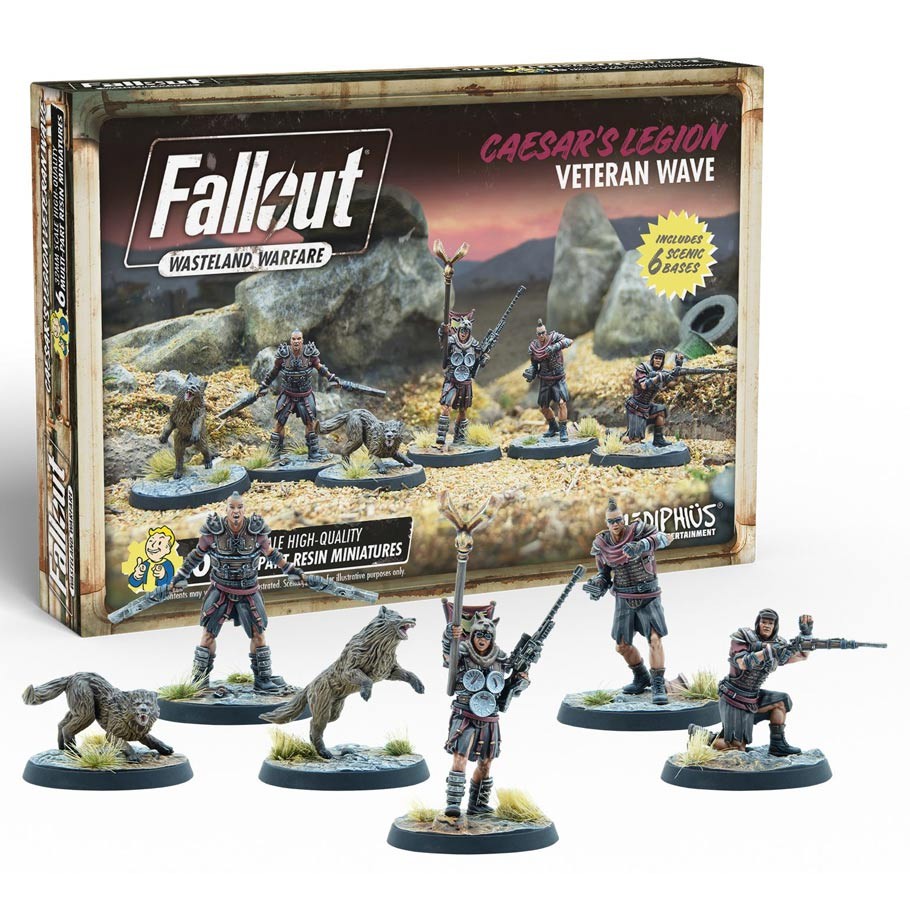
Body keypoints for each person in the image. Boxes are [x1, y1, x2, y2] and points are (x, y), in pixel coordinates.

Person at [173, 492, 303, 693]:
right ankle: (199, 682)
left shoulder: (255, 530)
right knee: (207, 636)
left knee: (258, 635)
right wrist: (181, 575)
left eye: (239, 507)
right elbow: (196, 555)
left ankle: (263, 680)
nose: (236, 511)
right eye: (232, 507)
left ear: (244, 509)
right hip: (221, 591)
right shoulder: (213, 530)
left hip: (248, 591)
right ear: (226, 509)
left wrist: (290, 570)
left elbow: (271, 554)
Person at [441, 614, 528, 818]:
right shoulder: (462, 651)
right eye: (479, 634)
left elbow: (510, 686)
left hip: (490, 716)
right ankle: (453, 803)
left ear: (492, 638)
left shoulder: (501, 658)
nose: (483, 639)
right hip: (465, 712)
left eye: (487, 636)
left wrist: (521, 681)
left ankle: (477, 804)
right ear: (472, 635)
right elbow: (447, 654)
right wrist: (449, 635)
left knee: (486, 762)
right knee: (460, 757)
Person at [587, 496, 672, 704]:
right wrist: (598, 585)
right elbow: (604, 574)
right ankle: (642, 677)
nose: (615, 524)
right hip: (624, 597)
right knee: (622, 646)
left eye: (618, 520)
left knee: (655, 639)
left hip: (648, 594)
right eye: (611, 521)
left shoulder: (640, 531)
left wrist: (641, 545)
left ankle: (658, 683)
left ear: (623, 519)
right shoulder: (602, 544)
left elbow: (666, 538)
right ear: (606, 523)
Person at [706, 609, 809, 755]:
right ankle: (702, 736)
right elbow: (743, 663)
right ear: (758, 623)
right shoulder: (742, 638)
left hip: (754, 697)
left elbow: (802, 656)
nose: (767, 625)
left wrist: (806, 635)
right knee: (737, 749)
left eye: (770, 623)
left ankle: (778, 745)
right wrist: (768, 652)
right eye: (764, 622)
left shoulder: (778, 644)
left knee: (781, 701)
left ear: (775, 626)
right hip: (734, 698)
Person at [259, 329, 338, 459]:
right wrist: (264, 385)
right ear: (290, 340)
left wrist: (331, 377)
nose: (296, 341)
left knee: (310, 423)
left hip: (305, 394)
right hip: (288, 393)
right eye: (294, 339)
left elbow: (320, 368)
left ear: (302, 340)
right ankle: (274, 454)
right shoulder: (283, 354)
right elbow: (274, 372)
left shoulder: (309, 353)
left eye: (299, 339)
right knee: (279, 423)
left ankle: (313, 453)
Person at [435, 311, 488, 446]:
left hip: (465, 381)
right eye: (462, 330)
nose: (463, 333)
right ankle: (441, 436)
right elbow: (443, 340)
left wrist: (483, 360)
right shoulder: (451, 341)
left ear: (469, 332)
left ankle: (460, 437)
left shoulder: (474, 344)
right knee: (446, 406)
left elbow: (479, 359)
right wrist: (443, 330)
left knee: (463, 411)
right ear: (458, 330)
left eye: (466, 331)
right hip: (452, 379)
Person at [523, 318, 573, 442]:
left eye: (543, 333)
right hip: (545, 379)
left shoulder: (554, 338)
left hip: (558, 378)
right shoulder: (534, 347)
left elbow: (569, 341)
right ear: (536, 335)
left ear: (546, 332)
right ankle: (553, 426)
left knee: (561, 403)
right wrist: (531, 373)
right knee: (543, 407)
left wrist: (555, 347)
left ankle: (563, 430)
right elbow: (534, 364)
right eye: (539, 334)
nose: (541, 335)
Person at [623, 348, 684, 446]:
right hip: (636, 408)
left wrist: (678, 366)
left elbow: (673, 382)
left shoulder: (661, 372)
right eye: (656, 358)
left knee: (661, 410)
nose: (658, 360)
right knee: (634, 441)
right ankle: (617, 438)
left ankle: (658, 440)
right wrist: (658, 378)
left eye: (660, 359)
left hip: (647, 407)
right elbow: (643, 385)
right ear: (652, 359)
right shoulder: (642, 368)